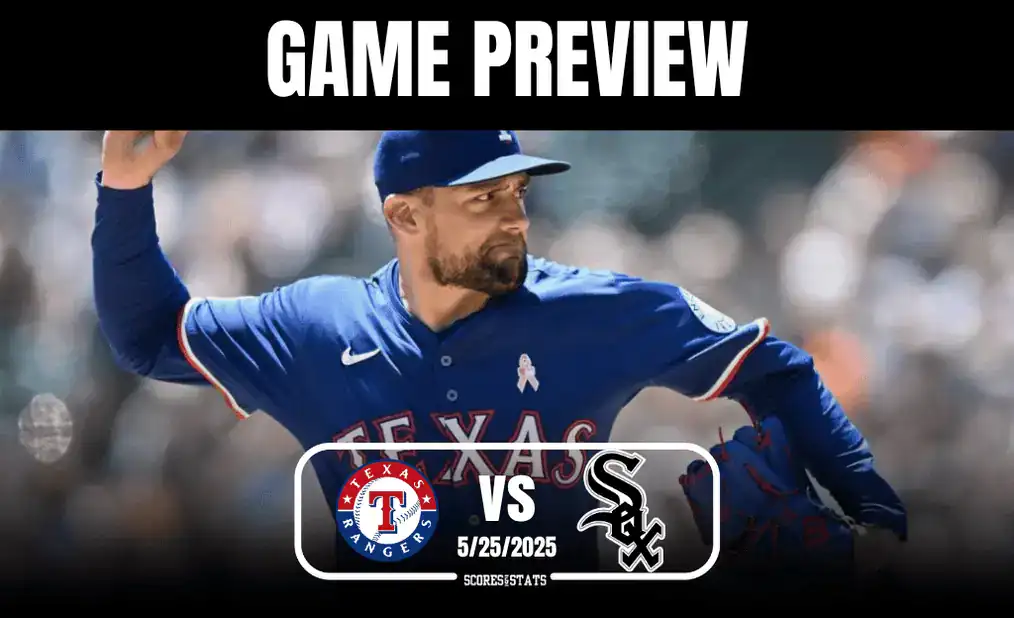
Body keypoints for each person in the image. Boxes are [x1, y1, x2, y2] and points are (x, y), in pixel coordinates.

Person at [92, 130, 906, 577]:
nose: (514, 218)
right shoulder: (318, 326)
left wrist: (869, 508)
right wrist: (124, 190)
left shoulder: (595, 311)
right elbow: (149, 337)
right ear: (405, 217)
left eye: (516, 193)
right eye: (483, 199)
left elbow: (774, 367)